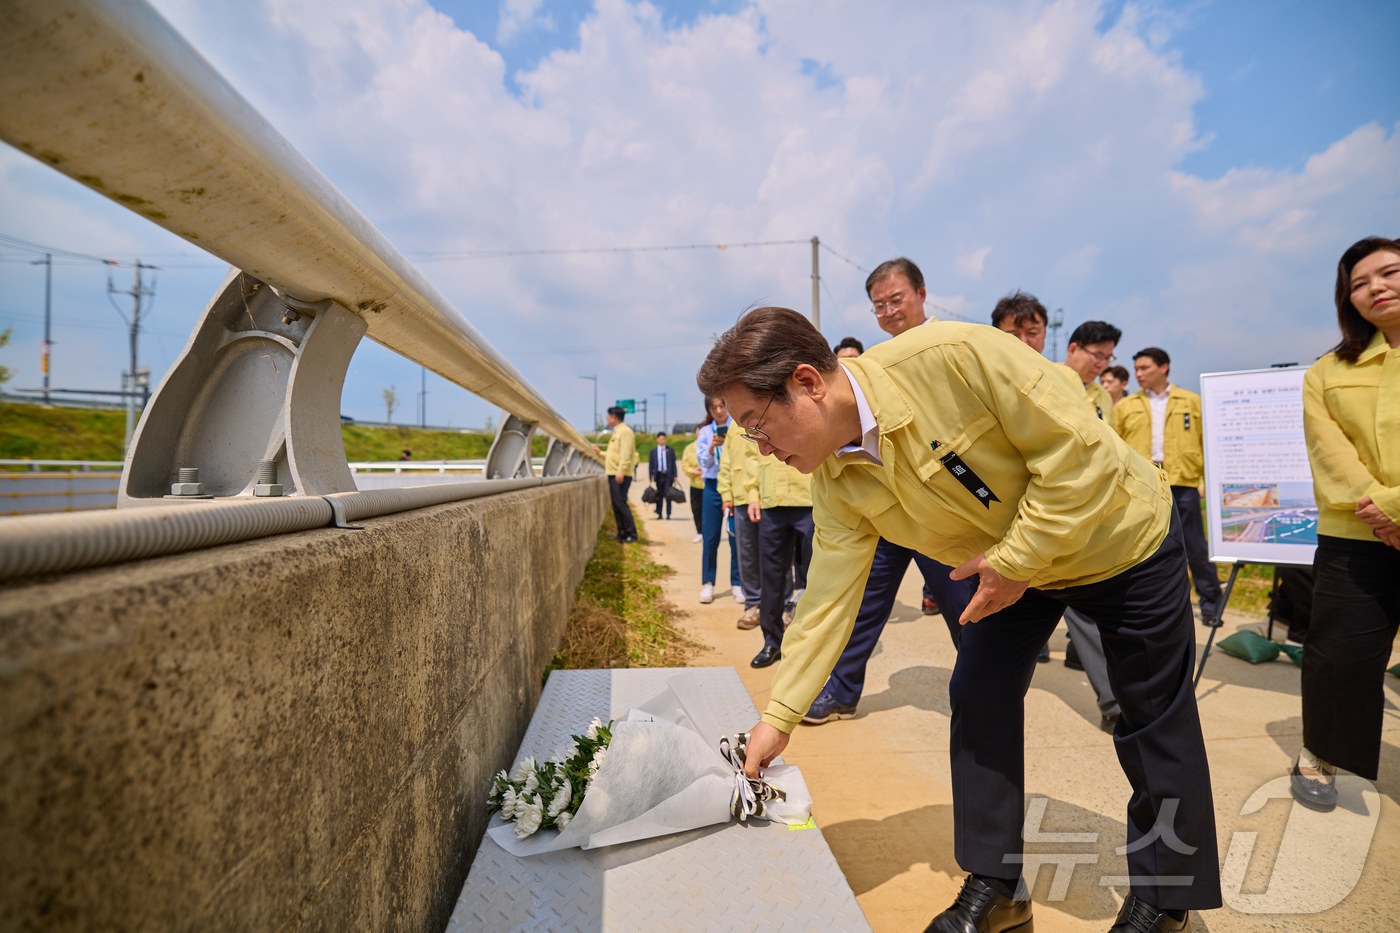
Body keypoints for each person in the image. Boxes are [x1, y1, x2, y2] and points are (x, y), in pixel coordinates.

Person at [698, 307, 1220, 933]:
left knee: (1151, 712)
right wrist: (778, 719)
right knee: (978, 697)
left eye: (758, 426)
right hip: (1007, 568)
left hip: (1116, 537)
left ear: (808, 383)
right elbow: (827, 599)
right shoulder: (836, 477)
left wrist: (1019, 557)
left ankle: (1165, 902)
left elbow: (1080, 460)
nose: (763, 449)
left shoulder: (956, 358)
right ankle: (997, 886)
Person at [802, 258, 973, 725]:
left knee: (965, 605)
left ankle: (987, 687)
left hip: (940, 507)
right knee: (866, 601)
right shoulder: (877, 362)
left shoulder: (954, 347)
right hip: (887, 507)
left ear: (921, 293)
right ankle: (840, 690)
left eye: (896, 299)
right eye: (879, 306)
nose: (889, 311)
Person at [1289, 235, 1400, 814]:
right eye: (1359, 283)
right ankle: (1322, 750)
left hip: (1386, 516)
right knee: (1339, 652)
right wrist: (1381, 510)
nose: (1375, 288)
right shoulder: (1328, 372)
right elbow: (1329, 451)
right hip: (1358, 533)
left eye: (1389, 273)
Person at [1113, 348, 1224, 623]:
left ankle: (1212, 604)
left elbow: (1206, 443)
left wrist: (1202, 481)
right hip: (1142, 484)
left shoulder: (1192, 401)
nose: (1138, 374)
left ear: (1164, 368)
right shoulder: (1126, 406)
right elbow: (1114, 447)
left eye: (1145, 368)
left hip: (1183, 481)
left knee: (1195, 547)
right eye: (1136, 368)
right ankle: (1141, 603)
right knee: (1138, 547)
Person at [1058, 321, 1126, 730]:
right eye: (1096, 355)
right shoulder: (1048, 380)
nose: (1101, 364)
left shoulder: (1102, 396)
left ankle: (1114, 702)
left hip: (1092, 510)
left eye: (1107, 357)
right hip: (1054, 510)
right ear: (1073, 348)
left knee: (1085, 608)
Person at [743, 451, 814, 668]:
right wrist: (753, 496)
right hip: (771, 504)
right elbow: (752, 458)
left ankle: (812, 646)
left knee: (817, 577)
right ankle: (772, 642)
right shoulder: (758, 419)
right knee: (771, 579)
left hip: (809, 500)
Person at [719, 412, 763, 622]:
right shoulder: (733, 428)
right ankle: (753, 603)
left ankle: (780, 605)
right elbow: (725, 462)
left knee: (774, 556)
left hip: (768, 497)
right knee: (746, 554)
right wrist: (726, 493)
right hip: (741, 498)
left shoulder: (764, 417)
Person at [696, 396, 739, 603]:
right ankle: (708, 583)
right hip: (712, 486)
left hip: (734, 484)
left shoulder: (738, 428)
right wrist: (712, 447)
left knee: (736, 536)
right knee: (710, 537)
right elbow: (703, 461)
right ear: (709, 410)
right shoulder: (705, 432)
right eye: (715, 408)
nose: (720, 411)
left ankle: (738, 583)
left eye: (723, 405)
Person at [602, 405, 638, 544]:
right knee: (616, 504)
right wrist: (600, 453)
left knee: (620, 503)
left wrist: (621, 471)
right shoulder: (617, 432)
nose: (607, 419)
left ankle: (631, 534)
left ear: (613, 417)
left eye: (608, 417)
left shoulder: (625, 432)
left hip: (619, 473)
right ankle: (622, 533)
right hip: (613, 472)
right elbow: (614, 454)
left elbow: (626, 453)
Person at [680, 425, 706, 542]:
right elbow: (685, 465)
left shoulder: (710, 446)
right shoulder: (689, 448)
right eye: (698, 431)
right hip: (695, 484)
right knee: (696, 509)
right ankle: (699, 532)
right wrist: (692, 471)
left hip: (709, 484)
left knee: (709, 510)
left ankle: (708, 532)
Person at [648, 431, 678, 520]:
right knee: (659, 495)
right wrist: (651, 476)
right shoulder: (653, 451)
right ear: (657, 439)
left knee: (668, 495)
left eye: (664, 439)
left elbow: (673, 463)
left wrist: (675, 475)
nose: (662, 441)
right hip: (658, 475)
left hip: (668, 475)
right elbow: (651, 465)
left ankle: (668, 514)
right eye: (660, 439)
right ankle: (659, 513)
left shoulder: (670, 450)